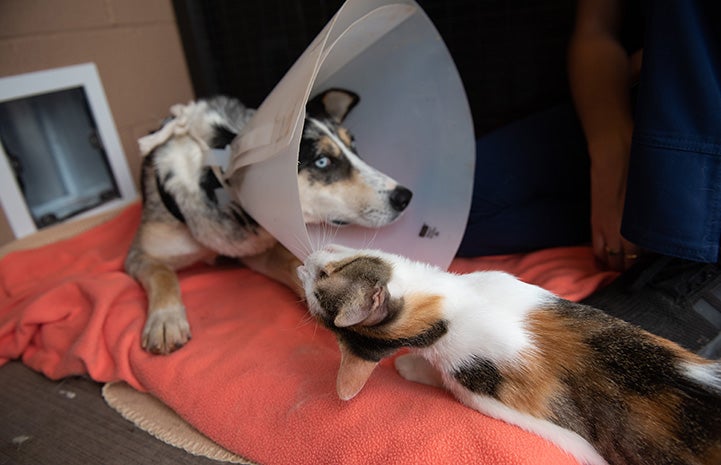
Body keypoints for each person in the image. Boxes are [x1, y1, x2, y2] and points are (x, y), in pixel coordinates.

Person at [459, 0, 721, 358]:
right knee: (446, 214)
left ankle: (696, 254)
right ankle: (659, 220)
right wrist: (611, 156)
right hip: (655, 101)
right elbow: (596, 30)